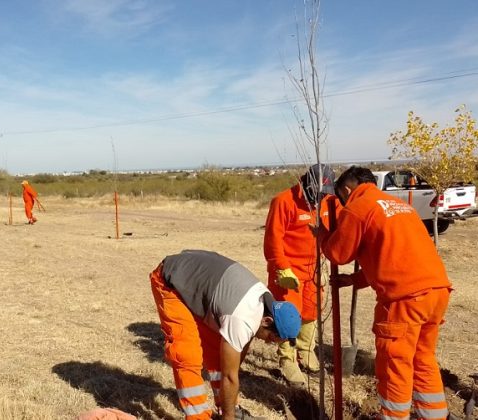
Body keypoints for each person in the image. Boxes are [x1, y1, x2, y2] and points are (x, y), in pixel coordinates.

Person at [317, 166, 452, 420]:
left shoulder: (358, 207)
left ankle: (393, 416)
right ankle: (434, 416)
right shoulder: (397, 205)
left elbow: (337, 253)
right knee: (422, 358)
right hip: (436, 292)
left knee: (395, 364)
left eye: (342, 197)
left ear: (347, 189)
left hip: (405, 300)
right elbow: (394, 254)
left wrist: (323, 235)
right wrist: (355, 279)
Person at [150, 250, 301, 420]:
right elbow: (230, 377)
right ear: (267, 321)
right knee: (187, 354)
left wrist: (229, 408)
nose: (267, 343)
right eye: (271, 338)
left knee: (220, 355)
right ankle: (199, 417)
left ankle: (229, 408)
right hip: (171, 281)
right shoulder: (242, 318)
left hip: (200, 282)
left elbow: (235, 359)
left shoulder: (266, 302)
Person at [263, 164, 337, 385]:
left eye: (323, 194)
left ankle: (305, 351)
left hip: (313, 269)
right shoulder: (283, 201)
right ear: (305, 183)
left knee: (311, 311)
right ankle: (288, 360)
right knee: (289, 316)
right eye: (316, 193)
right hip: (288, 272)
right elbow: (273, 239)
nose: (319, 197)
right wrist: (281, 267)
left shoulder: (329, 202)